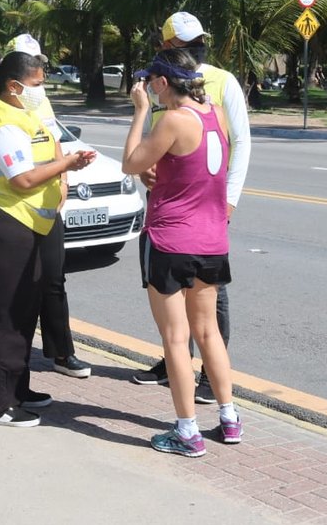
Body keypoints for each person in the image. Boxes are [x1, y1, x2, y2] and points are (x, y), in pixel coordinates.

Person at [0, 50, 96, 427]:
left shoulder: (22, 113)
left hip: (23, 223)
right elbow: (22, 179)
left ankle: (17, 389)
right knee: (3, 317)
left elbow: (45, 151)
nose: (42, 89)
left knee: (24, 312)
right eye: (36, 84)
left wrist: (63, 169)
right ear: (13, 86)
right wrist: (68, 164)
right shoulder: (1, 122)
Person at [122, 48, 241, 456]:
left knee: (176, 338)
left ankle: (187, 431)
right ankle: (229, 419)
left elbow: (131, 163)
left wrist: (140, 112)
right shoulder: (216, 115)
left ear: (160, 83)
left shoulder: (171, 119)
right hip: (212, 241)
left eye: (149, 84)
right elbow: (188, 167)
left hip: (171, 240)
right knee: (209, 333)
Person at [8, 33, 92, 379]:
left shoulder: (39, 98)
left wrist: (64, 181)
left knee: (54, 279)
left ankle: (61, 352)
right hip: (15, 208)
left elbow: (53, 139)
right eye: (32, 62)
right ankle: (16, 357)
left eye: (40, 62)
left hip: (46, 204)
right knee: (20, 285)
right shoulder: (0, 104)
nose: (38, 69)